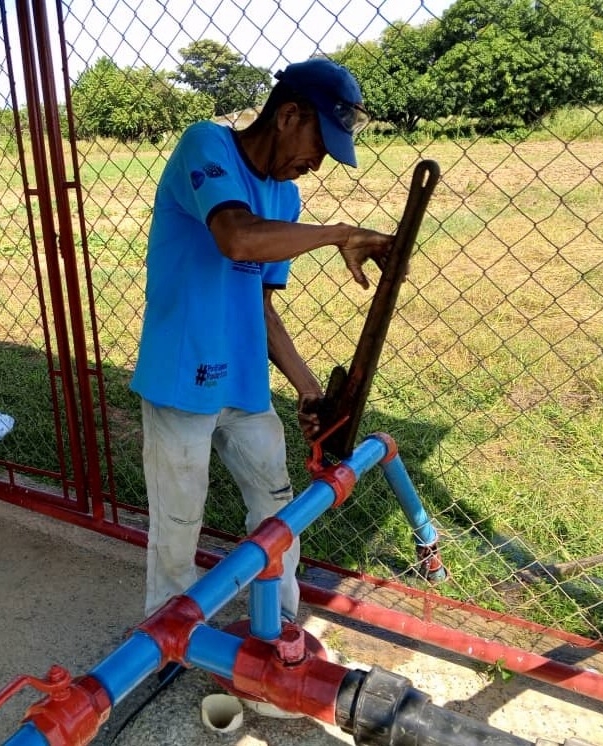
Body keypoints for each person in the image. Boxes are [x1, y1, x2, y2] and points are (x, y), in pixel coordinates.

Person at [130, 57, 393, 626]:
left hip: (245, 384)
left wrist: (310, 390)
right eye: (319, 145)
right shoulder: (206, 145)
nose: (317, 164)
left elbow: (261, 308)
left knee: (278, 510)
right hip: (182, 378)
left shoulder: (286, 198)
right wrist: (340, 233)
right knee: (178, 521)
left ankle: (281, 627)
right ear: (288, 114)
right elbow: (236, 238)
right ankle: (168, 632)